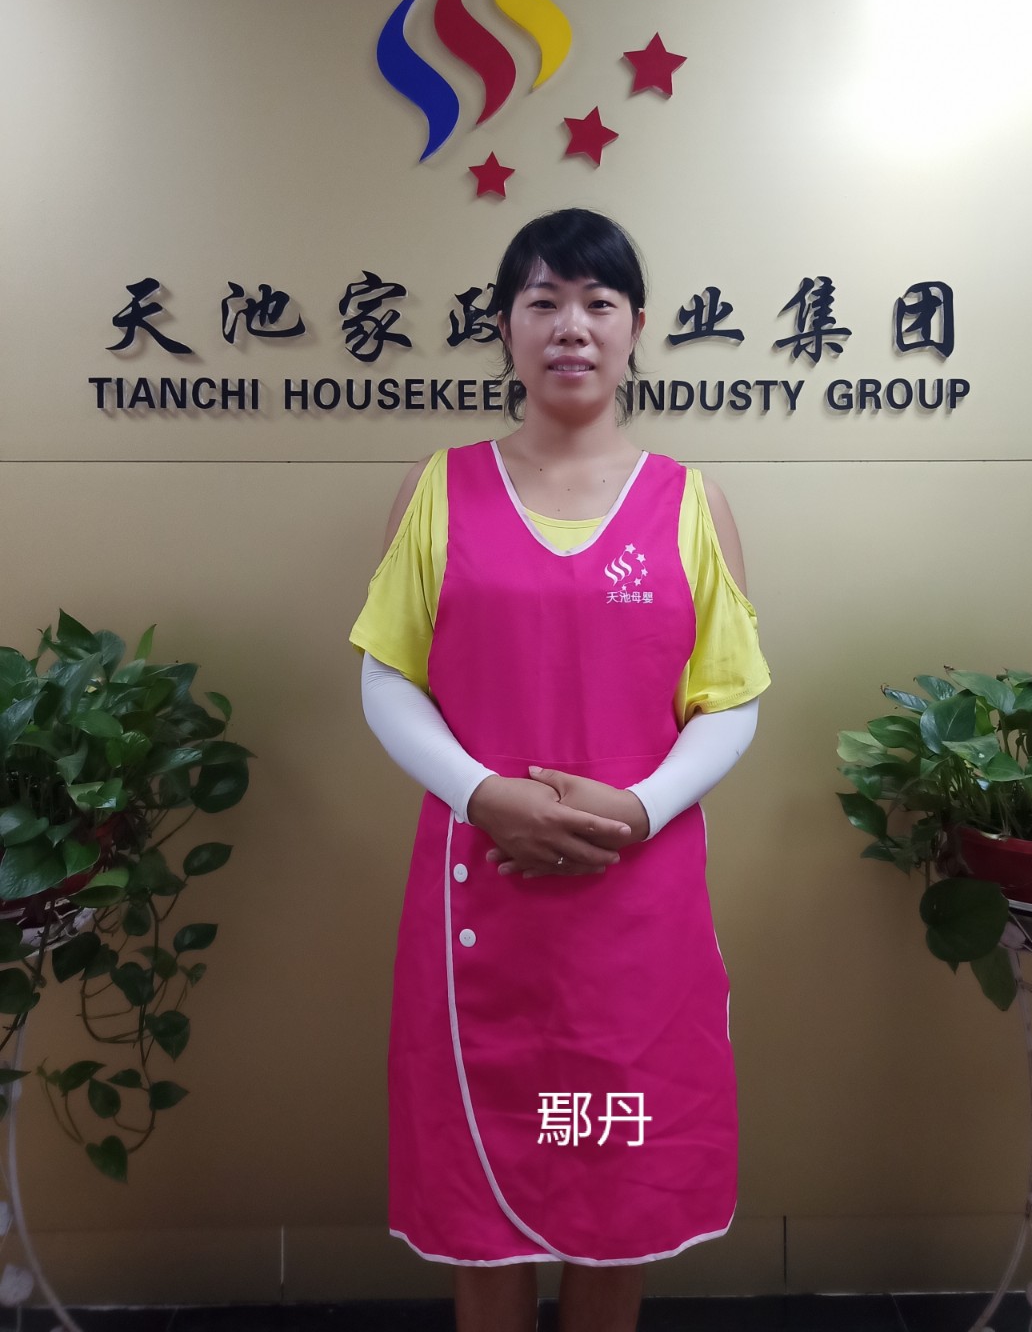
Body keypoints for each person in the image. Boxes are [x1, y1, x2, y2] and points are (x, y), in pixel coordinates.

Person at [350, 208, 770, 1332]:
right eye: (543, 301)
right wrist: (481, 793)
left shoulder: (691, 502)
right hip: (478, 897)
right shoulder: (438, 489)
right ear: (505, 327)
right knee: (480, 1194)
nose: (570, 326)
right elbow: (387, 679)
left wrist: (640, 808)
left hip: (636, 908)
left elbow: (730, 700)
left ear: (637, 327)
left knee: (613, 1186)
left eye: (597, 302)